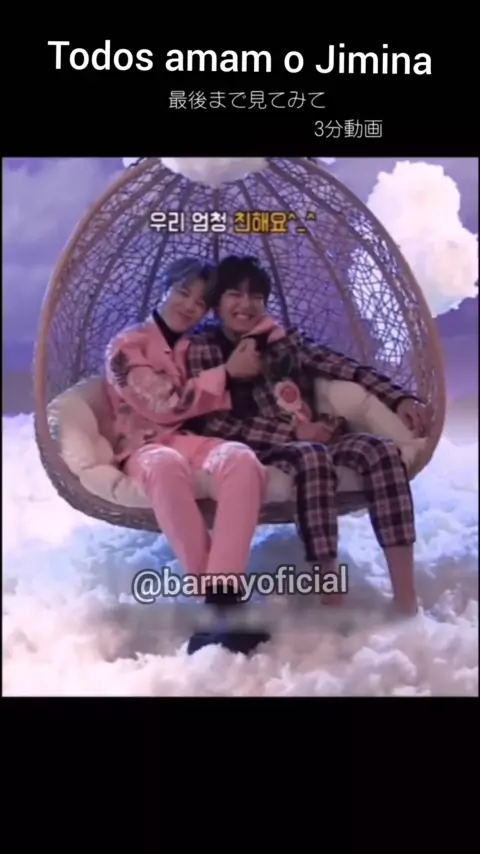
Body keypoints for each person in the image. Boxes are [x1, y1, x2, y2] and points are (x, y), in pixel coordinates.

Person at [184, 255, 430, 617]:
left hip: (317, 435)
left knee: (381, 450)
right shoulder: (203, 348)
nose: (246, 304)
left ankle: (406, 597)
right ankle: (331, 597)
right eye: (235, 294)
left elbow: (344, 367)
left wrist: (399, 397)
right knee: (311, 455)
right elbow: (212, 423)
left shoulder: (283, 339)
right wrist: (293, 432)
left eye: (256, 297)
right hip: (253, 450)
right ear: (217, 303)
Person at [104, 257, 271, 655]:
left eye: (200, 302)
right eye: (182, 292)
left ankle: (221, 599)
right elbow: (164, 403)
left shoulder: (194, 346)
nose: (190, 306)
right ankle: (222, 604)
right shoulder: (126, 346)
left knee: (241, 459)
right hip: (143, 446)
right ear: (163, 289)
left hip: (186, 439)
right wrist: (226, 373)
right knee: (165, 466)